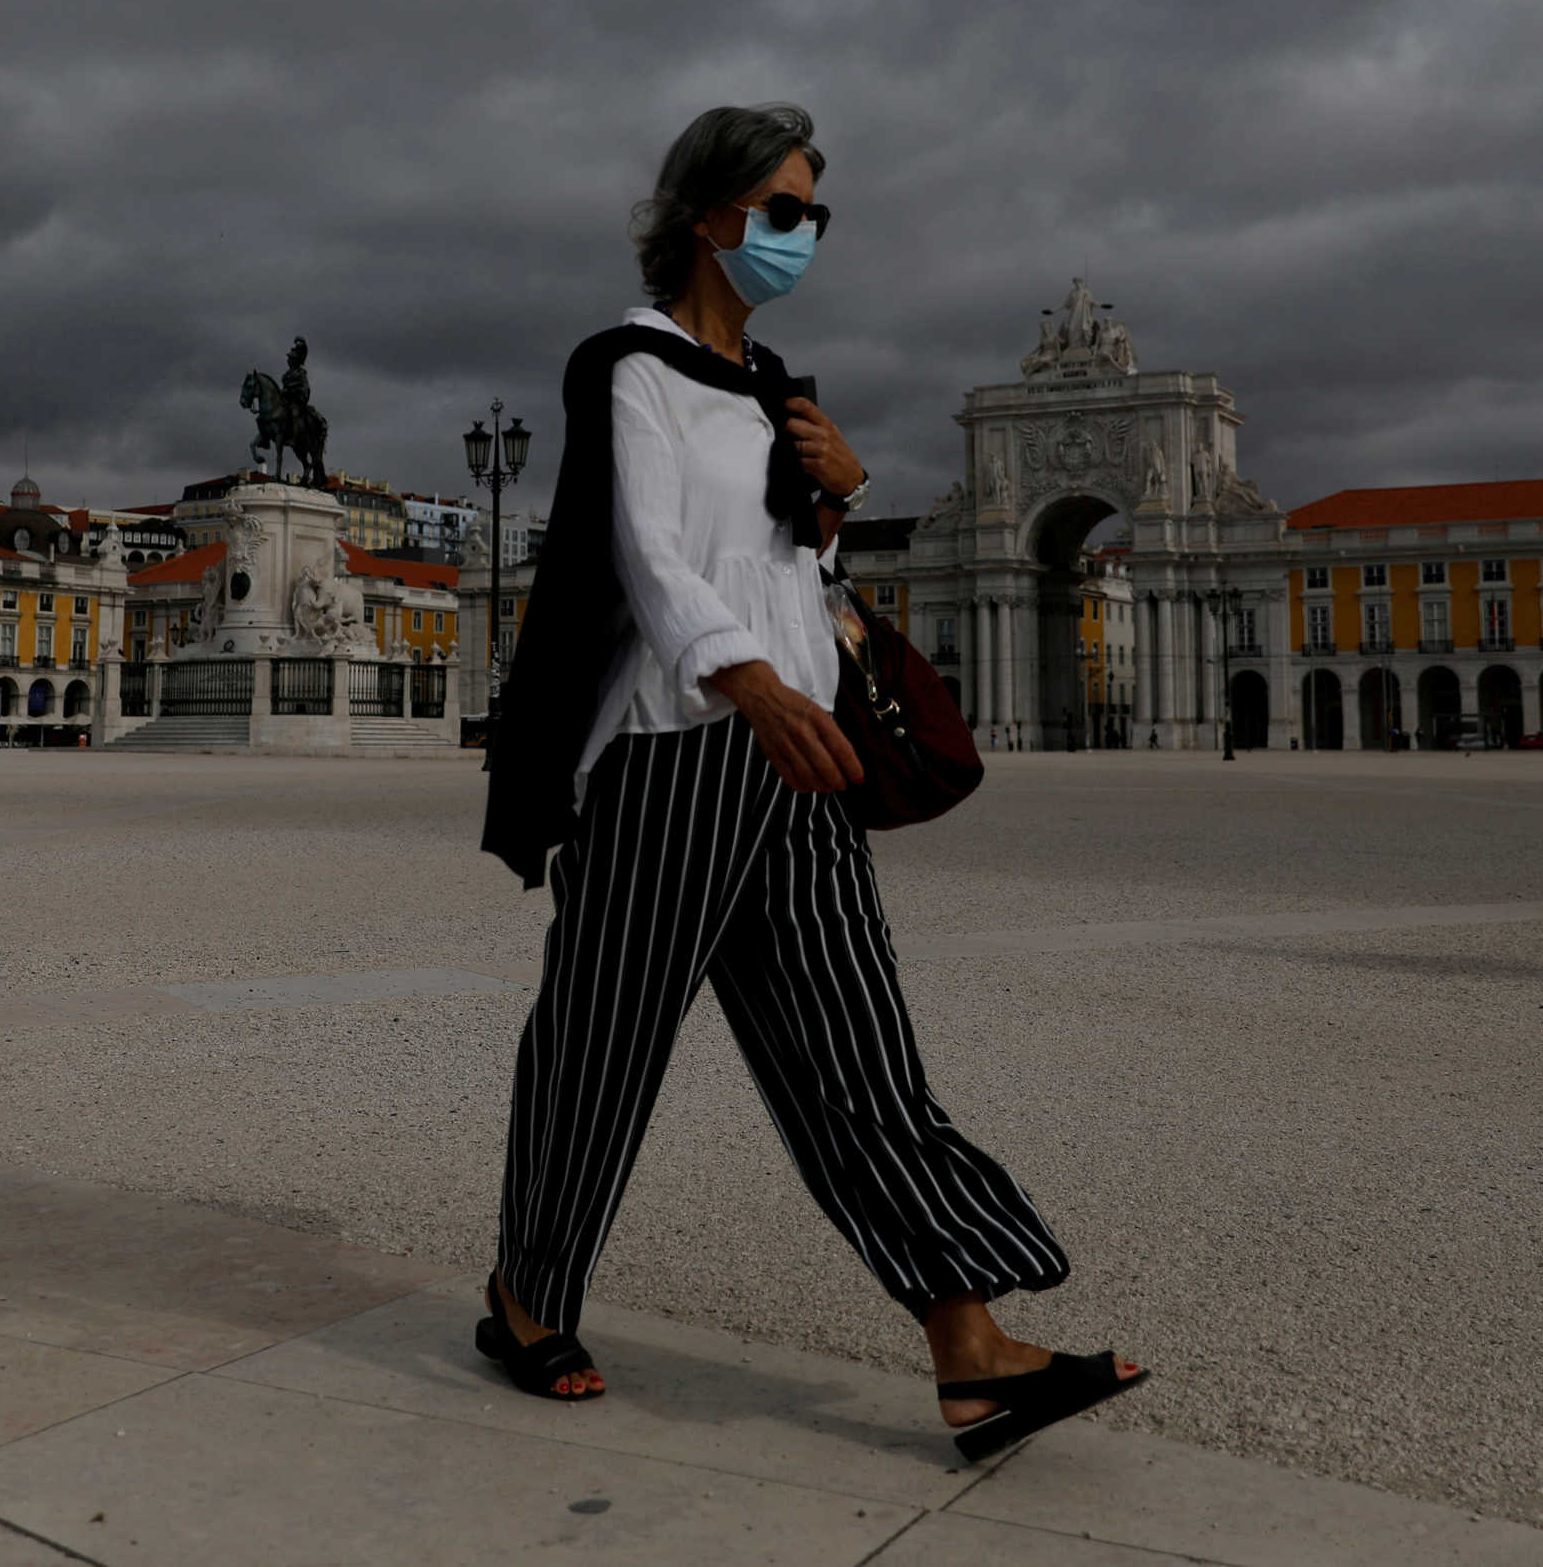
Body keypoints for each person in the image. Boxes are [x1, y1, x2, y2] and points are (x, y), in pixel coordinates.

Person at [477, 104, 1143, 1456]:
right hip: (677, 754)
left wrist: (837, 494)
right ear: (711, 215)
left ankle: (970, 1350)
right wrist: (750, 683)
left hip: (806, 758)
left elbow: (788, 568)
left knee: (863, 1060)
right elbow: (648, 557)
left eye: (816, 216)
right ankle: (527, 1296)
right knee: (605, 1047)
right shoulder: (632, 367)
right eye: (785, 211)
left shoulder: (780, 382)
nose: (804, 236)